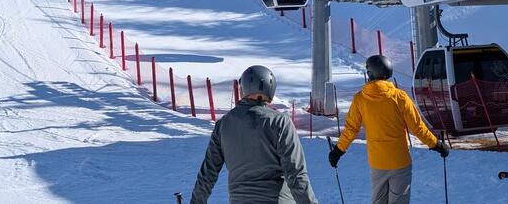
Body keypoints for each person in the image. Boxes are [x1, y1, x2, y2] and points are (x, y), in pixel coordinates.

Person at [328, 55, 449, 204]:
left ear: (370, 73)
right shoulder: (400, 97)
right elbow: (417, 128)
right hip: (400, 161)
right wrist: (436, 144)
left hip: (377, 162)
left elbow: (351, 129)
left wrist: (338, 151)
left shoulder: (360, 99)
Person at [190, 65, 317, 204]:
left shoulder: (223, 125)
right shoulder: (280, 122)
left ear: (243, 88)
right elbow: (296, 175)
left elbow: (207, 175)